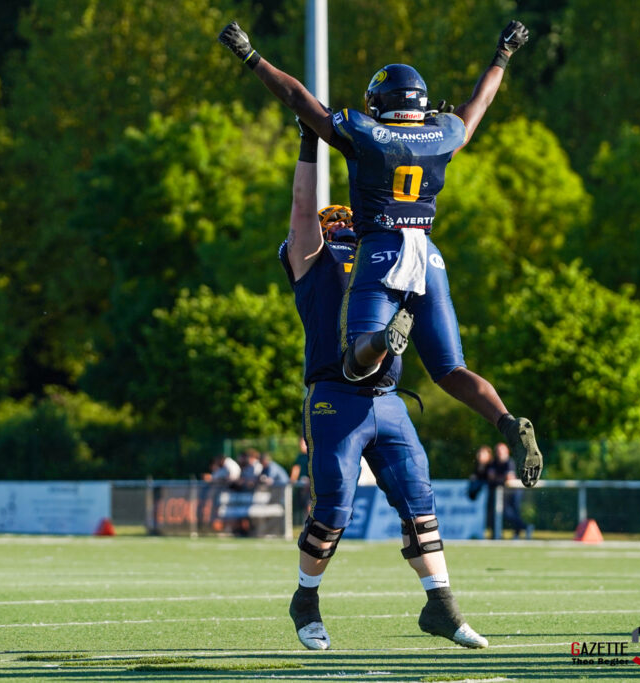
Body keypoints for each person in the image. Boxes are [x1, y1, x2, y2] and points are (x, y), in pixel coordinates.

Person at [218, 19, 544, 490]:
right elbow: (479, 105)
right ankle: (508, 421)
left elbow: (296, 99)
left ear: (380, 104)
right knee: (451, 370)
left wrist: (252, 57)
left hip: (382, 248)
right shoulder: (444, 135)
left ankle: (388, 334)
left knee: (355, 359)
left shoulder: (365, 133)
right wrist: (503, 56)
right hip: (428, 253)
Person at [271, 118, 486, 651]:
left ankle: (442, 605)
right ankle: (306, 598)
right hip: (335, 398)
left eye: (347, 218)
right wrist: (308, 143)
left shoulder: (384, 252)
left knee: (420, 502)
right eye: (334, 220)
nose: (343, 222)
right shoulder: (313, 261)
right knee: (334, 507)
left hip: (387, 399)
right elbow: (303, 210)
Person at [488, 442, 526, 539]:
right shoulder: (493, 463)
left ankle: (520, 530)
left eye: (502, 451)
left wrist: (498, 478)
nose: (499, 453)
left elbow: (509, 478)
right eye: (498, 451)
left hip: (513, 491)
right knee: (505, 513)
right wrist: (502, 478)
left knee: (514, 512)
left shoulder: (509, 462)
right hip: (502, 492)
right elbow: (491, 478)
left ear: (507, 452)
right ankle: (523, 528)